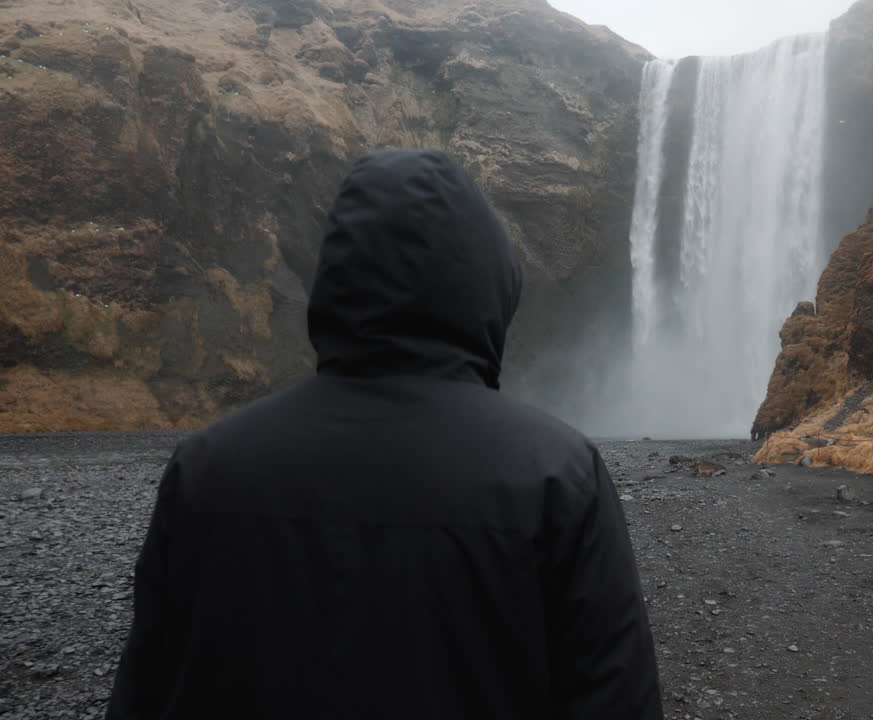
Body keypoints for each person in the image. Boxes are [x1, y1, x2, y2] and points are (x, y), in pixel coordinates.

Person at [107, 149, 663, 719]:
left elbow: (147, 686)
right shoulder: (558, 474)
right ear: (489, 282)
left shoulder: (207, 464)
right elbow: (616, 698)